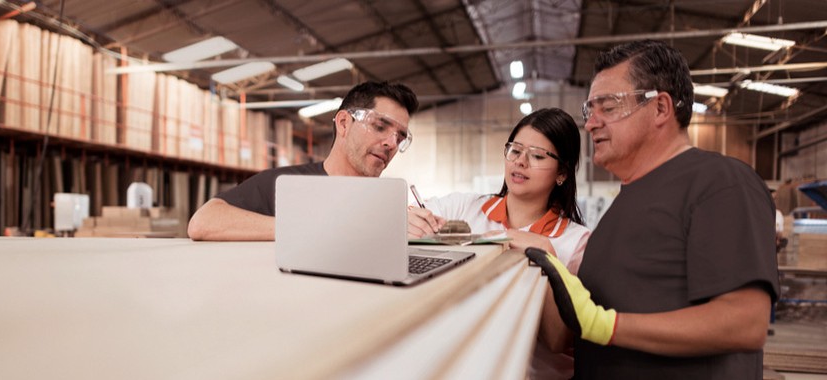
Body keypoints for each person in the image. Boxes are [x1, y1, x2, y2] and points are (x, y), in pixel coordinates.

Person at [526, 39, 779, 379]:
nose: (590, 124)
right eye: (590, 110)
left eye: (608, 107)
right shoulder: (623, 206)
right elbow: (574, 334)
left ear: (661, 108)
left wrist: (607, 325)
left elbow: (745, 322)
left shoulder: (719, 182)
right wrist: (546, 264)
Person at [407, 108, 589, 380]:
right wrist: (408, 218)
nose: (520, 162)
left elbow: (556, 341)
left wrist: (546, 254)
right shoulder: (463, 207)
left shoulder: (575, 242)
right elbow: (402, 216)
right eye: (515, 151)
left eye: (537, 155)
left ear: (562, 172)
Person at [187, 81, 419, 241]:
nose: (391, 143)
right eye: (379, 126)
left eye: (400, 136)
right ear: (344, 123)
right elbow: (203, 222)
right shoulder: (284, 183)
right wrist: (306, 227)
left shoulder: (383, 205)